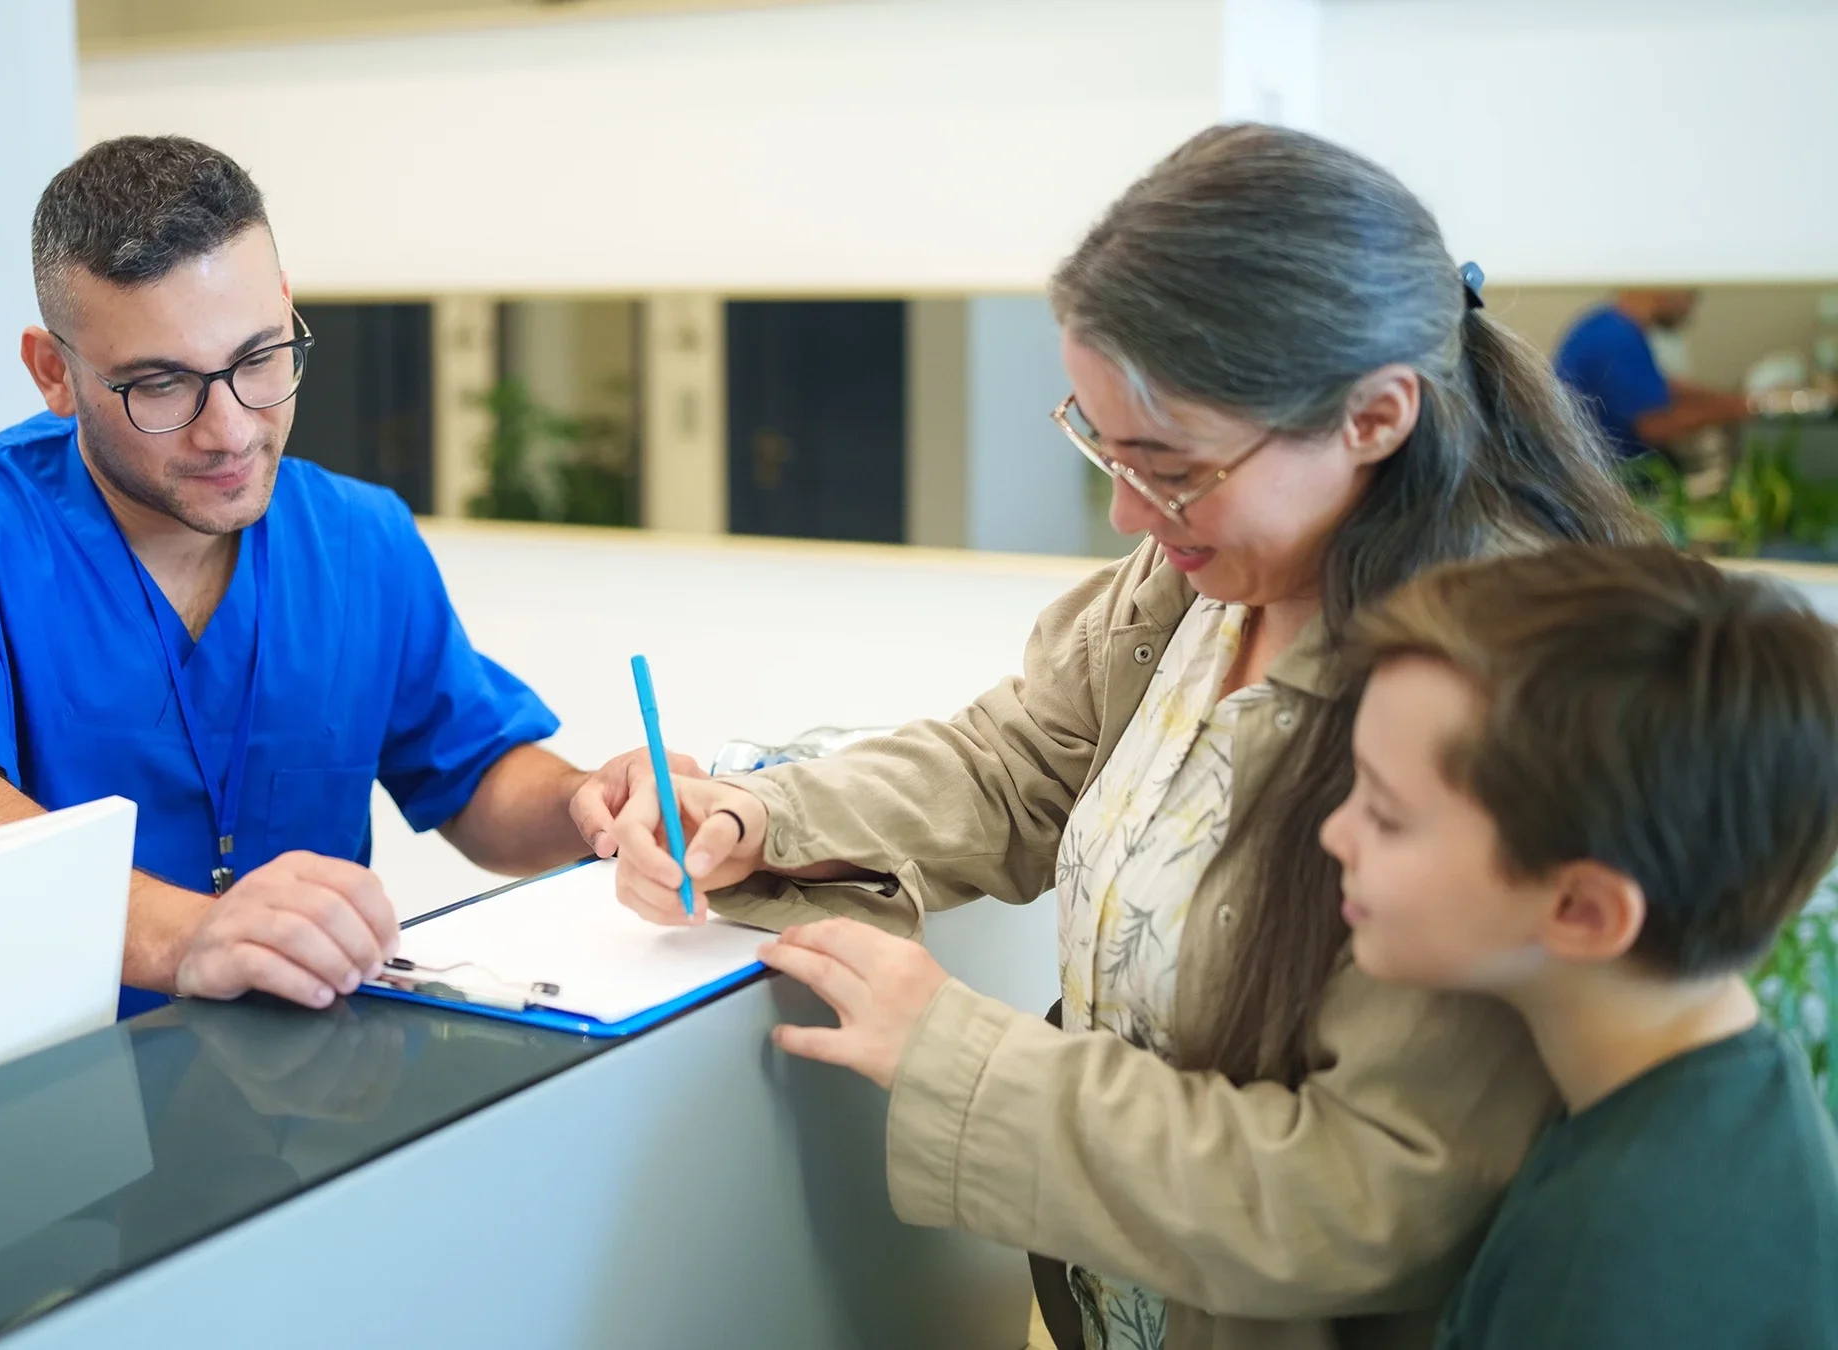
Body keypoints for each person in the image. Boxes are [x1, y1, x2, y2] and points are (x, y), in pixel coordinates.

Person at [578, 123, 1656, 1350]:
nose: (1126, 510)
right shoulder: (1202, 581)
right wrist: (766, 812)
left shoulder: (1499, 695)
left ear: (1374, 418)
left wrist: (966, 1061)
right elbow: (1025, 759)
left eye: (1172, 468)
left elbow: (1367, 1194)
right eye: (1099, 441)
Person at [0, 136, 670, 1019]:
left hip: (291, 1110)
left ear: (286, 312)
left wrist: (585, 805)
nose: (231, 430)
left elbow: (475, 776)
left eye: (258, 358)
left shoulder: (360, 539)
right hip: (7, 1099)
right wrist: (189, 936)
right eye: (161, 385)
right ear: (55, 373)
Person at [1320, 544, 1838, 1349]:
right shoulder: (1738, 1091)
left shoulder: (1608, 1263)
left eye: (1385, 816)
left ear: (1584, 911)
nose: (1334, 832)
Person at [1554, 289, 1753, 463]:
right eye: (1689, 293)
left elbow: (1655, 387)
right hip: (1618, 476)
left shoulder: (1604, 323)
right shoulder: (1619, 338)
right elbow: (1654, 426)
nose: (1691, 309)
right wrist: (1742, 409)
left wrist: (1729, 399)